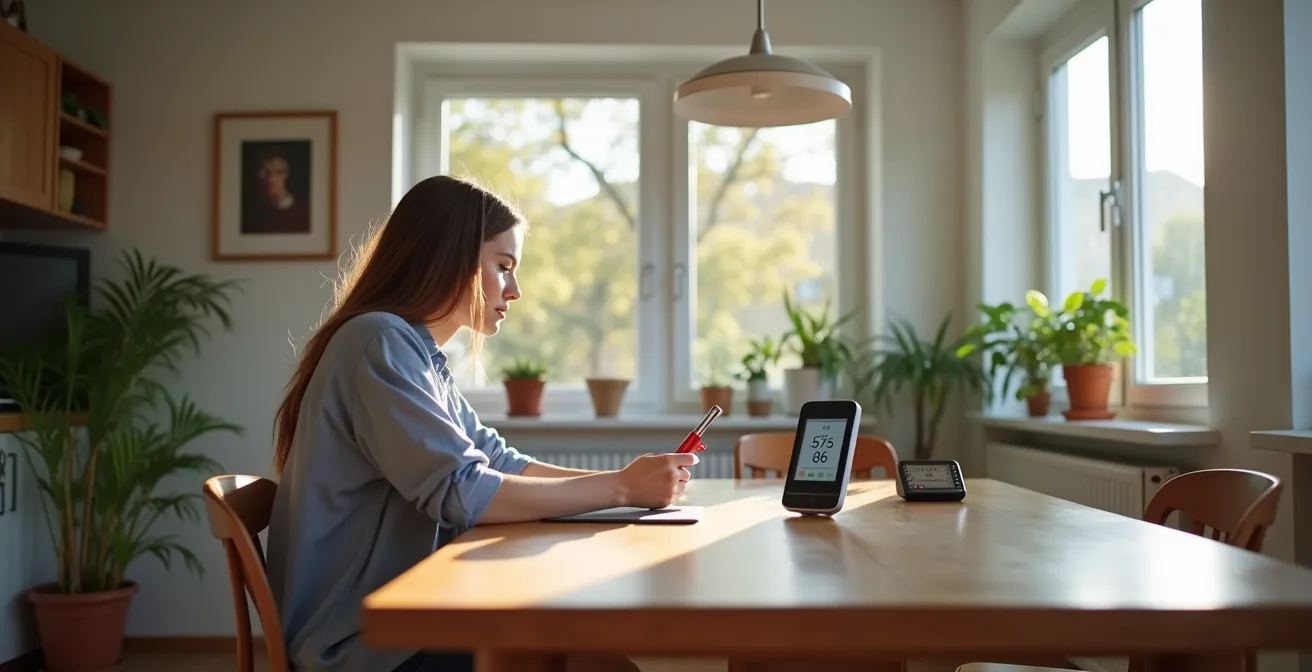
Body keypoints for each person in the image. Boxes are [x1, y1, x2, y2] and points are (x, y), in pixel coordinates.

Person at [265, 175, 698, 672]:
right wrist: (618, 489)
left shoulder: (417, 355)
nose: (515, 290)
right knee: (596, 663)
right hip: (362, 646)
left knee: (598, 659)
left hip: (400, 626)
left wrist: (626, 484)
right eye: (504, 266)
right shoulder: (378, 342)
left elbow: (497, 462)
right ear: (449, 256)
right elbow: (460, 491)